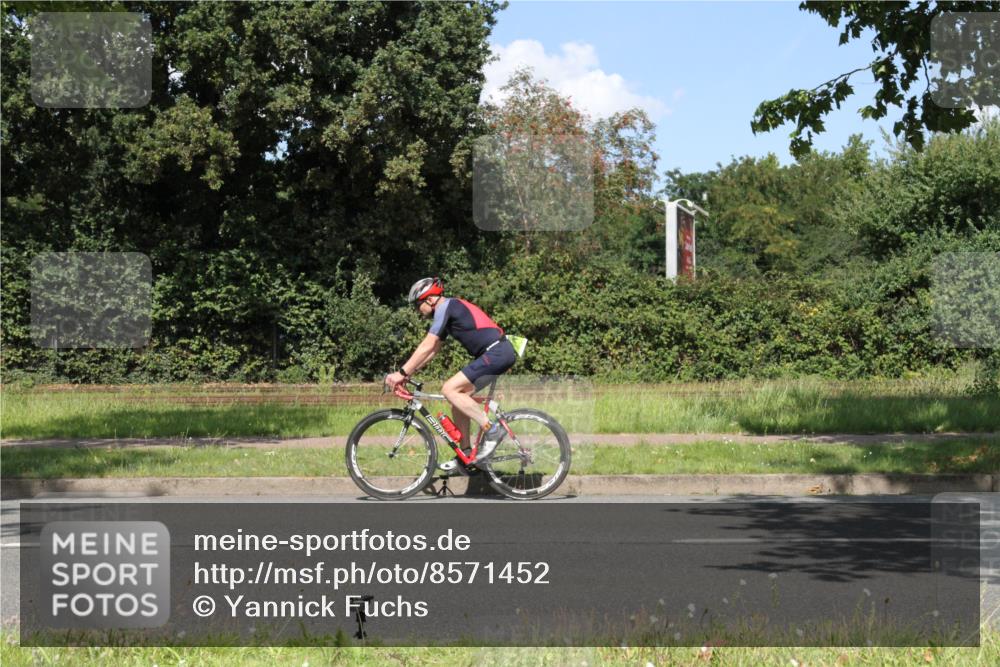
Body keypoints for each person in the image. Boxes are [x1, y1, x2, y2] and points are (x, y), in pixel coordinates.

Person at [384, 277, 517, 470]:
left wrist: (401, 372)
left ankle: (492, 430)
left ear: (429, 299)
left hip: (496, 352)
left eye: (418, 305)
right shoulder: (447, 310)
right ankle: (465, 456)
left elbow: (427, 345)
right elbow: (433, 350)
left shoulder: (446, 307)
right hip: (496, 353)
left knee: (449, 389)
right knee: (457, 400)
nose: (417, 311)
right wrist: (408, 374)